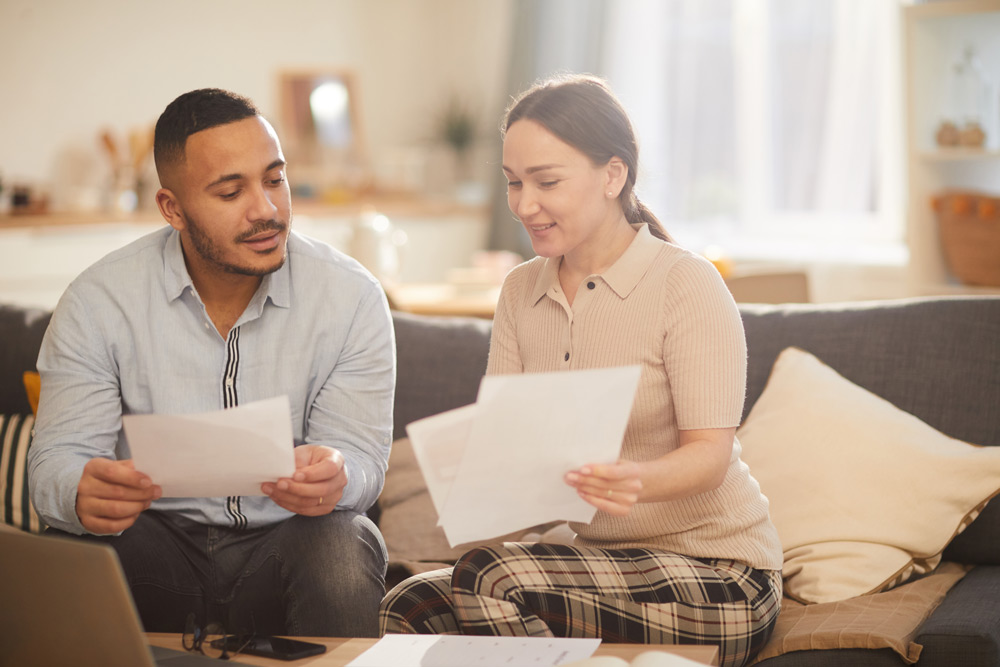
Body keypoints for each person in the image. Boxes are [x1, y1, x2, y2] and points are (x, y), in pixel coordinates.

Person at [379, 74, 782, 667]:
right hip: (600, 569)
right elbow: (513, 451)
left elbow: (710, 456)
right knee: (410, 605)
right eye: (514, 183)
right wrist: (481, 488)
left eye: (547, 182)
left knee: (492, 577)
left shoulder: (685, 283)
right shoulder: (520, 291)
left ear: (613, 176)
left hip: (721, 575)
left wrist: (634, 479)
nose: (523, 205)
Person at [28, 88, 395, 638]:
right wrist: (79, 490)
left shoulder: (352, 297)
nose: (267, 210)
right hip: (155, 546)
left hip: (290, 547)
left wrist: (338, 476)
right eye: (230, 192)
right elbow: (55, 461)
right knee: (73, 547)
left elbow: (363, 458)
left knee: (344, 541)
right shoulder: (98, 300)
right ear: (172, 208)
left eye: (275, 179)